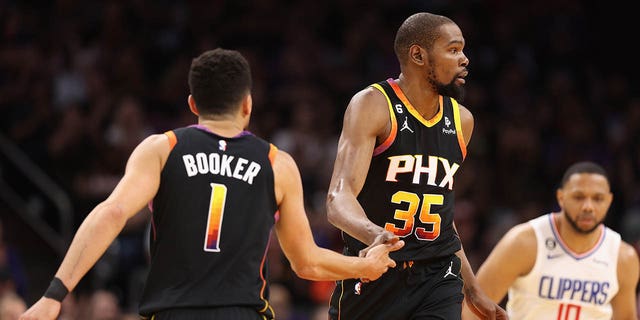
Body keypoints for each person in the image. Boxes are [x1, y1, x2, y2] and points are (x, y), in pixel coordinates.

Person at [19, 48, 404, 320]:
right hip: (242, 312)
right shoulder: (277, 163)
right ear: (248, 104)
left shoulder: (162, 148)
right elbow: (305, 262)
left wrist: (55, 295)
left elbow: (111, 213)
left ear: (192, 104)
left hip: (172, 312)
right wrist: (362, 267)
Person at [325, 12, 507, 320]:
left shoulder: (462, 120)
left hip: (438, 277)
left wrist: (473, 289)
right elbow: (338, 199)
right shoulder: (373, 104)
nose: (464, 59)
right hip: (376, 271)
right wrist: (374, 234)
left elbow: (442, 216)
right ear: (418, 55)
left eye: (463, 50)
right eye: (453, 49)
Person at [462, 161, 640, 320]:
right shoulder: (524, 242)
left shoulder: (623, 257)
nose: (588, 206)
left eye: (598, 198)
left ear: (609, 201)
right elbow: (473, 311)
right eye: (579, 197)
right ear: (561, 198)